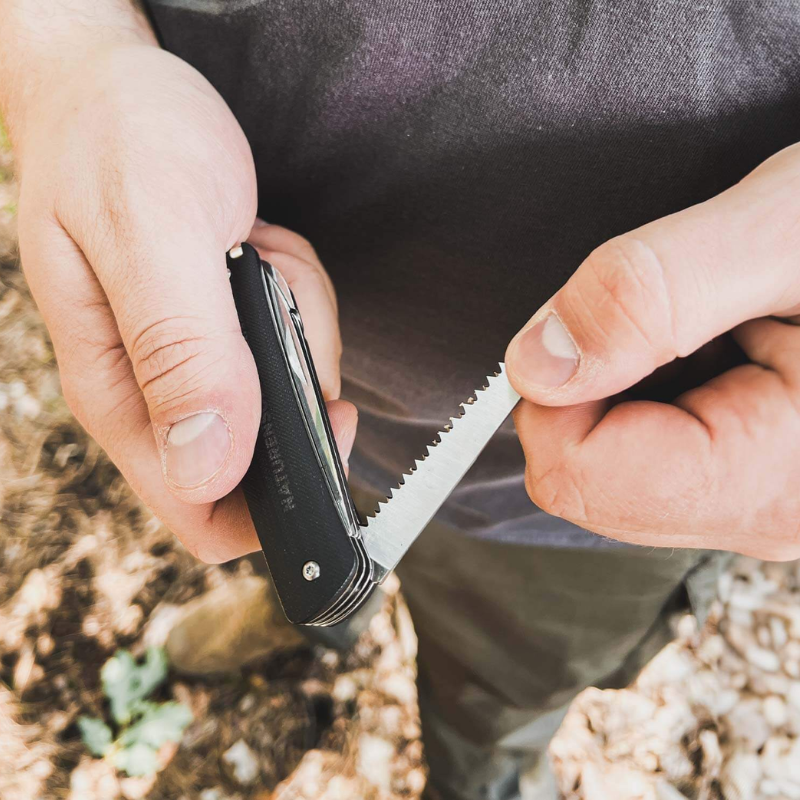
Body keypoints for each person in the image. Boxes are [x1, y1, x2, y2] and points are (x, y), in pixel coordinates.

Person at [2, 2, 799, 798]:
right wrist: (69, 56)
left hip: (616, 486)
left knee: (494, 713)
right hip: (281, 384)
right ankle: (314, 618)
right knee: (300, 564)